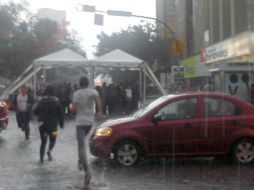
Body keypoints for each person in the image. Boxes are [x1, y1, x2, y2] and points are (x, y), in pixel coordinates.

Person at [69, 76, 102, 187]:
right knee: (83, 143)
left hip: (80, 122)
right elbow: (98, 101)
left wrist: (70, 107)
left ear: (79, 84)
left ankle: (87, 171)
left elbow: (74, 110)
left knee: (81, 146)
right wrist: (99, 112)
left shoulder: (77, 94)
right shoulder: (93, 92)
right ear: (88, 84)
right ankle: (80, 161)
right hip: (90, 122)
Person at [33, 85, 64, 163]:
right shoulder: (57, 101)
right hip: (53, 126)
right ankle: (49, 151)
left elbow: (35, 111)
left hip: (42, 125)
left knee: (43, 142)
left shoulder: (41, 100)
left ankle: (41, 159)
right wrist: (61, 123)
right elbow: (60, 113)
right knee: (53, 140)